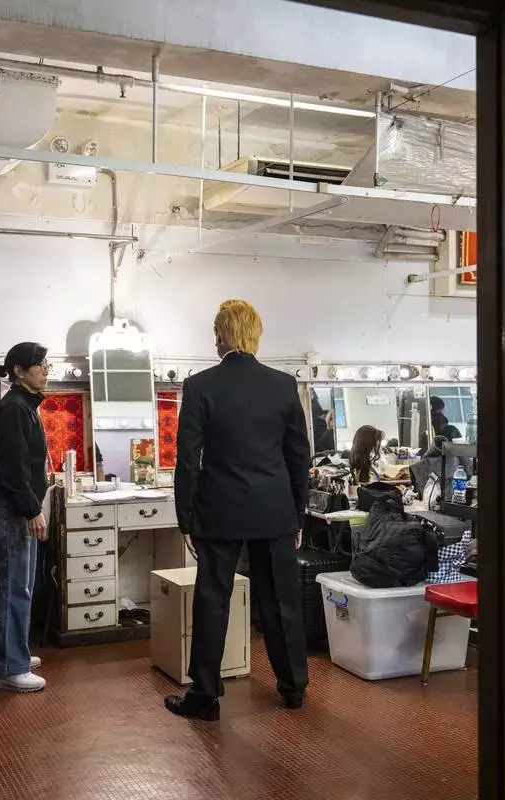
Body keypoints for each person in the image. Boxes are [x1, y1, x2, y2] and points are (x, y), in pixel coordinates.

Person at [168, 299, 311, 721]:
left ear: (220, 335)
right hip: (275, 509)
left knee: (213, 600)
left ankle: (204, 695)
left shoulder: (200, 386)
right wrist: (298, 512)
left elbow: (187, 459)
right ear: (255, 334)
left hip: (220, 509)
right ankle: (294, 687)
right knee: (282, 600)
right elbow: (298, 456)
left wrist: (185, 517)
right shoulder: (283, 385)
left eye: (216, 332)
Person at [0, 342, 50, 692]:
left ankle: (14, 654)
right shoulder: (14, 408)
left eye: (46, 364)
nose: (45, 370)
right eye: (39, 364)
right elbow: (14, 466)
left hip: (17, 506)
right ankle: (8, 666)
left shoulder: (25, 405)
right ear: (19, 372)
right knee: (15, 587)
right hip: (11, 508)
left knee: (21, 586)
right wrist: (31, 508)